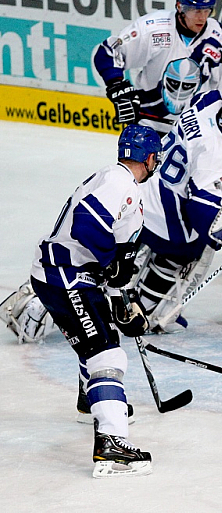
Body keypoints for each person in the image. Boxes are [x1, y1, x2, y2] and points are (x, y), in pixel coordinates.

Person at [28, 125, 162, 478]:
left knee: (103, 337)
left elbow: (114, 258)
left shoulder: (116, 181)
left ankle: (92, 400)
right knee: (106, 354)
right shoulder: (119, 184)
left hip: (68, 275)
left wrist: (120, 300)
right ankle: (111, 444)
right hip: (64, 276)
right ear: (150, 158)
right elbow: (85, 226)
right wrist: (111, 263)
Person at [133, 86, 222, 332]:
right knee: (187, 250)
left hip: (145, 189)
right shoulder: (218, 156)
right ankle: (143, 310)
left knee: (124, 252)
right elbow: (199, 211)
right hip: (166, 215)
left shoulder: (208, 102)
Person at [93, 0, 222, 135]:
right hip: (148, 125)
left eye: (207, 11)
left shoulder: (217, 38)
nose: (202, 17)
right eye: (196, 11)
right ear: (180, 7)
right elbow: (107, 53)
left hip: (194, 133)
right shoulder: (153, 28)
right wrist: (117, 87)